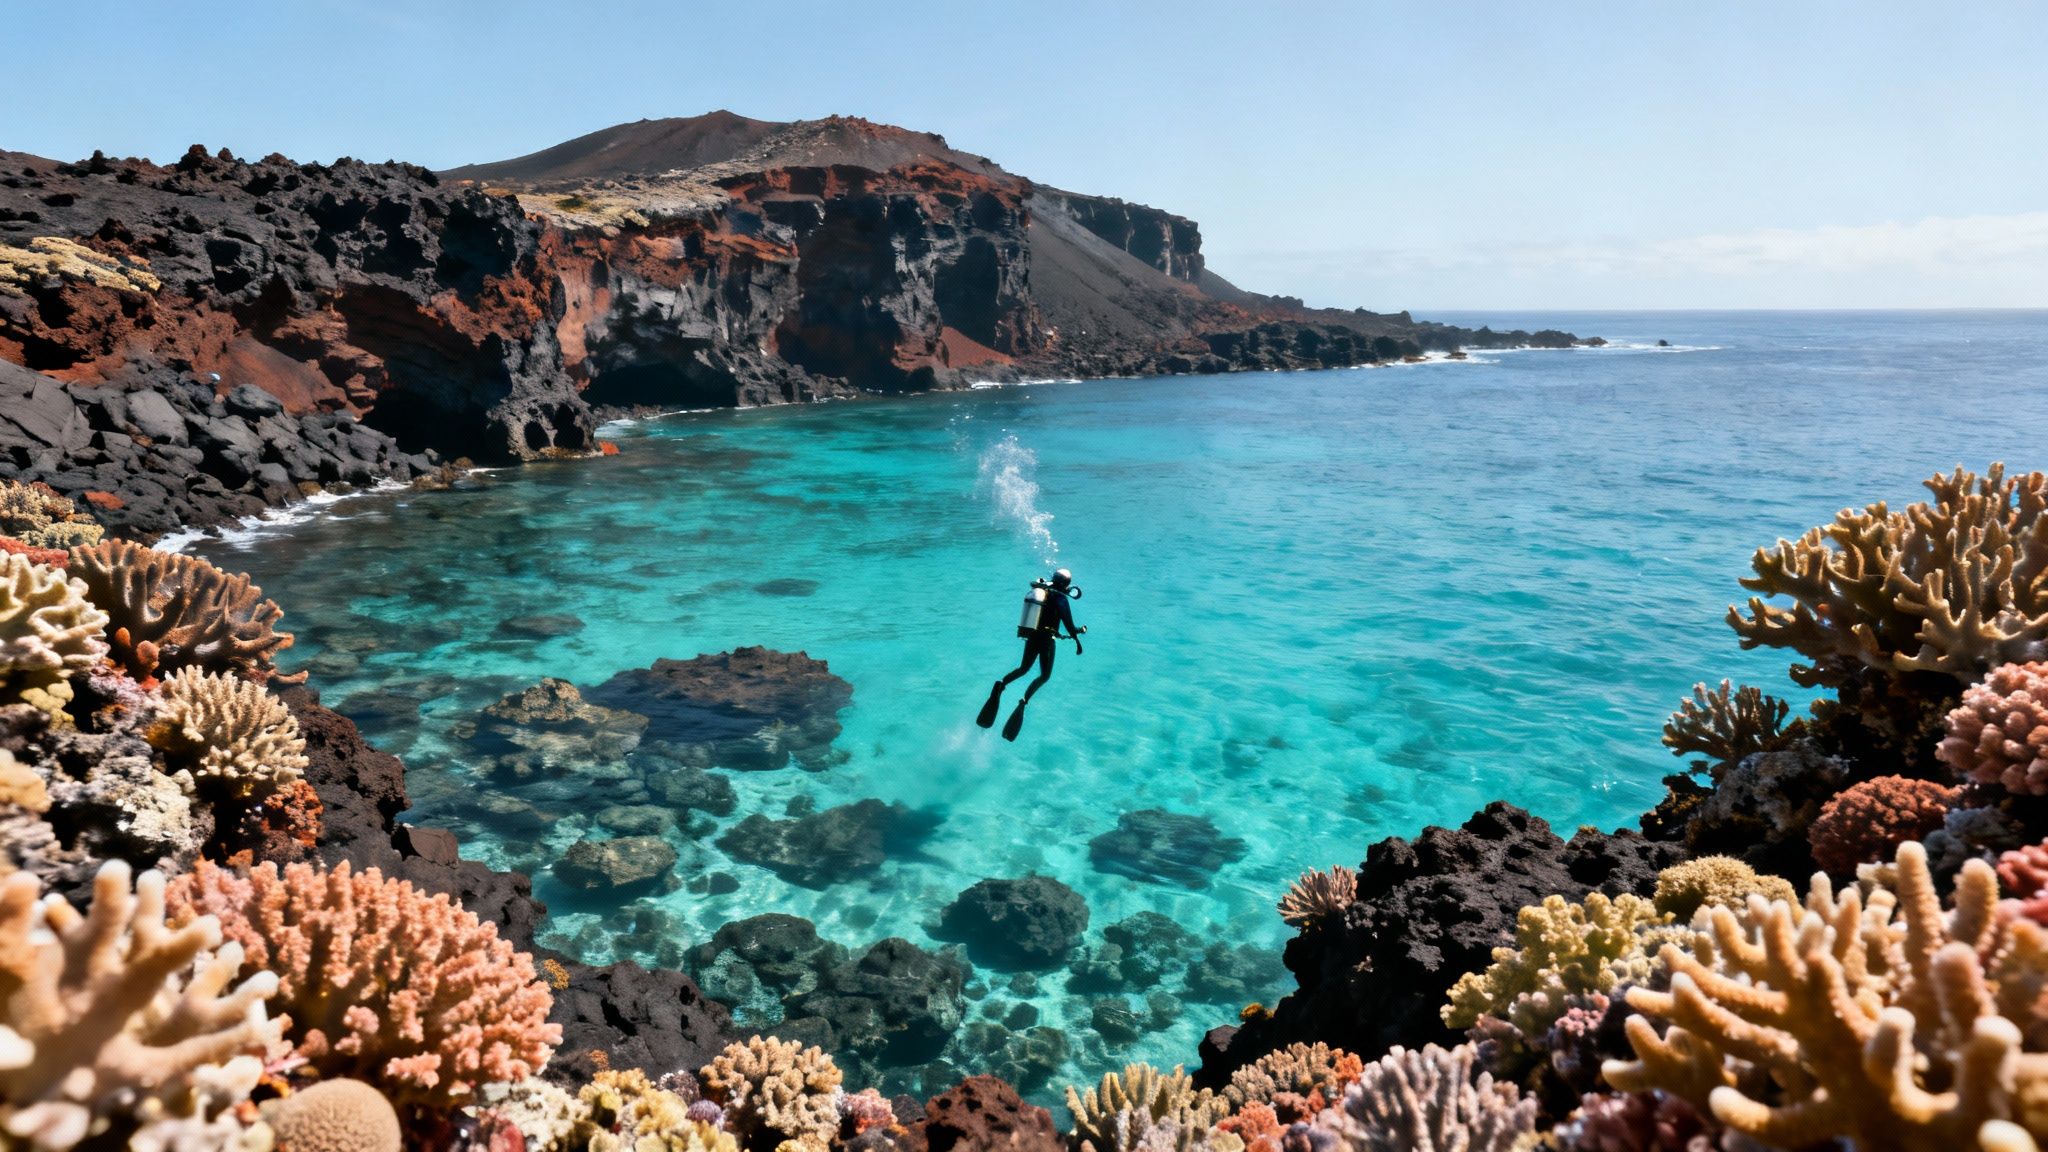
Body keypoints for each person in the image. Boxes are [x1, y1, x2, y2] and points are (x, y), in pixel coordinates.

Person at [978, 568, 1084, 739]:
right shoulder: (1061, 599)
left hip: (1032, 637)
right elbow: (1068, 625)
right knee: (1044, 676)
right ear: (1067, 585)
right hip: (1046, 640)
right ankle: (1024, 701)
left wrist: (1074, 632)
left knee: (1023, 668)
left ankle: (1001, 684)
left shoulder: (1042, 592)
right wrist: (1077, 641)